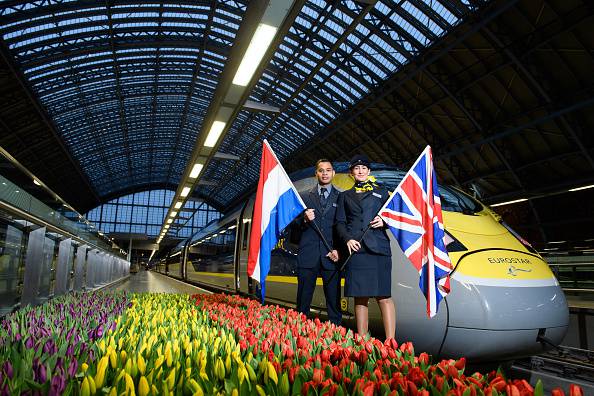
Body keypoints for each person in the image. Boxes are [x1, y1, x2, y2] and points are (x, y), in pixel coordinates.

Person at [335, 154, 395, 339]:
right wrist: (347, 240)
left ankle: (390, 341)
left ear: (369, 171)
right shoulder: (344, 196)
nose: (360, 171)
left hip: (378, 249)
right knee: (360, 297)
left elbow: (395, 216)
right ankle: (362, 340)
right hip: (357, 250)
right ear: (351, 173)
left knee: (383, 296)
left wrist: (385, 221)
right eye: (356, 168)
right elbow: (340, 223)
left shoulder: (382, 192)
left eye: (364, 168)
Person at [296, 159, 341, 325]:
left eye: (328, 170)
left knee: (334, 304)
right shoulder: (304, 197)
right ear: (316, 173)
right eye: (321, 170)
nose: (325, 173)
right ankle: (299, 336)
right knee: (303, 302)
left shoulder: (341, 197)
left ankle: (336, 338)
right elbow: (293, 228)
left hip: (331, 256)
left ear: (333, 173)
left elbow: (343, 228)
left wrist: (339, 250)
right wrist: (304, 219)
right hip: (308, 256)